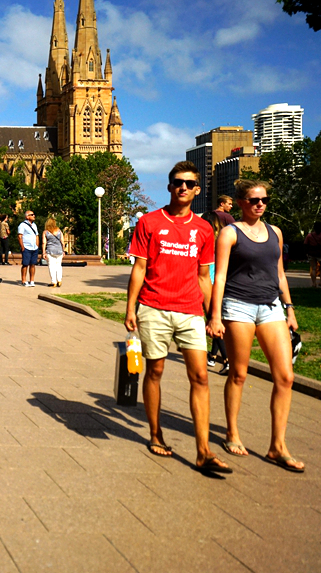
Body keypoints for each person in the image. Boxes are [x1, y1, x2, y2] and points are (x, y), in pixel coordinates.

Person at [124, 161, 231, 475]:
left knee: (200, 376)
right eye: (177, 182)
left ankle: (203, 451)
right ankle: (155, 433)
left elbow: (203, 277)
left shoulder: (203, 230)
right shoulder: (149, 221)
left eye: (189, 183)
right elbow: (139, 268)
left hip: (190, 312)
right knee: (154, 371)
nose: (183, 187)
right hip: (153, 307)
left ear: (197, 190)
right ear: (169, 187)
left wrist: (214, 316)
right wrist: (130, 308)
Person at [208, 180, 303, 472]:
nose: (259, 204)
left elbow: (280, 274)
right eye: (253, 200)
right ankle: (232, 433)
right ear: (240, 203)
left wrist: (289, 308)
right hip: (238, 306)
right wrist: (215, 315)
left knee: (285, 377)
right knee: (238, 373)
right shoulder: (229, 233)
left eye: (263, 199)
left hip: (271, 305)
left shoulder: (275, 232)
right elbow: (220, 276)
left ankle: (278, 446)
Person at [200, 211, 228, 374]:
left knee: (214, 323)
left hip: (209, 287)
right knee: (215, 323)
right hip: (223, 286)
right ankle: (212, 356)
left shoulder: (205, 242)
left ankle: (227, 359)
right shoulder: (223, 242)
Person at [17, 210, 40, 287]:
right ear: (27, 217)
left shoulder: (34, 225)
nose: (34, 216)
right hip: (26, 247)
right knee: (25, 264)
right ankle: (24, 280)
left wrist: (37, 245)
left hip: (34, 247)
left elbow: (37, 235)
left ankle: (32, 280)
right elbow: (20, 236)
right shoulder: (22, 225)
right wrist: (22, 247)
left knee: (33, 264)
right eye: (32, 215)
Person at [43, 217, 65, 287]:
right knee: (59, 266)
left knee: (51, 266)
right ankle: (59, 280)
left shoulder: (45, 232)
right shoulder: (59, 231)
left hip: (50, 251)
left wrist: (43, 252)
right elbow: (62, 241)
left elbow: (44, 243)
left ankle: (53, 281)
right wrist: (63, 250)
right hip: (59, 251)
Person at [304, 222, 321, 287]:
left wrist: (306, 252)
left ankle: (314, 283)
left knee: (313, 268)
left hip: (311, 253)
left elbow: (305, 244)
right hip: (320, 253)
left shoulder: (309, 235)